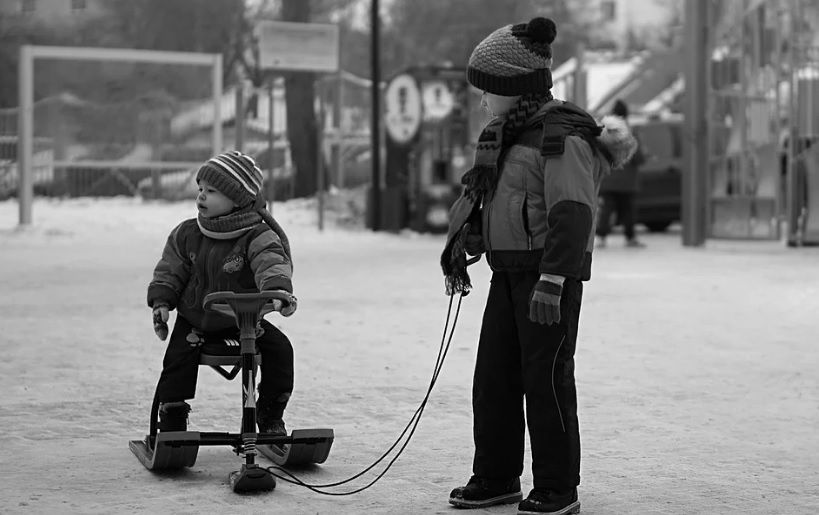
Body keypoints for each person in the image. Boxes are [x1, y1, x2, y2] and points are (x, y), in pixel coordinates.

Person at [440, 17, 636, 515]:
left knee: (545, 379)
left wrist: (553, 280)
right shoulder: (505, 134)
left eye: (488, 89)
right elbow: (504, 199)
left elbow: (572, 212)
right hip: (508, 273)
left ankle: (556, 485)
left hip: (548, 279)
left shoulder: (559, 136)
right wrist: (476, 234)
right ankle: (496, 475)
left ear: (513, 85)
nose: (482, 100)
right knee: (494, 379)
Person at [147, 150, 297, 439]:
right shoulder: (188, 233)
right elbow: (170, 268)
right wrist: (163, 300)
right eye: (200, 189)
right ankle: (173, 413)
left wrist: (277, 291)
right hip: (196, 320)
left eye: (212, 191)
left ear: (237, 199)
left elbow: (272, 261)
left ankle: (270, 413)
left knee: (281, 351)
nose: (201, 196)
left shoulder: (257, 235)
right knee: (179, 357)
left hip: (245, 321)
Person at [595, 99, 646, 248]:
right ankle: (630, 238)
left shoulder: (605, 130)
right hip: (627, 182)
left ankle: (601, 237)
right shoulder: (631, 132)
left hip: (608, 178)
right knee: (628, 210)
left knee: (606, 210)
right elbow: (638, 156)